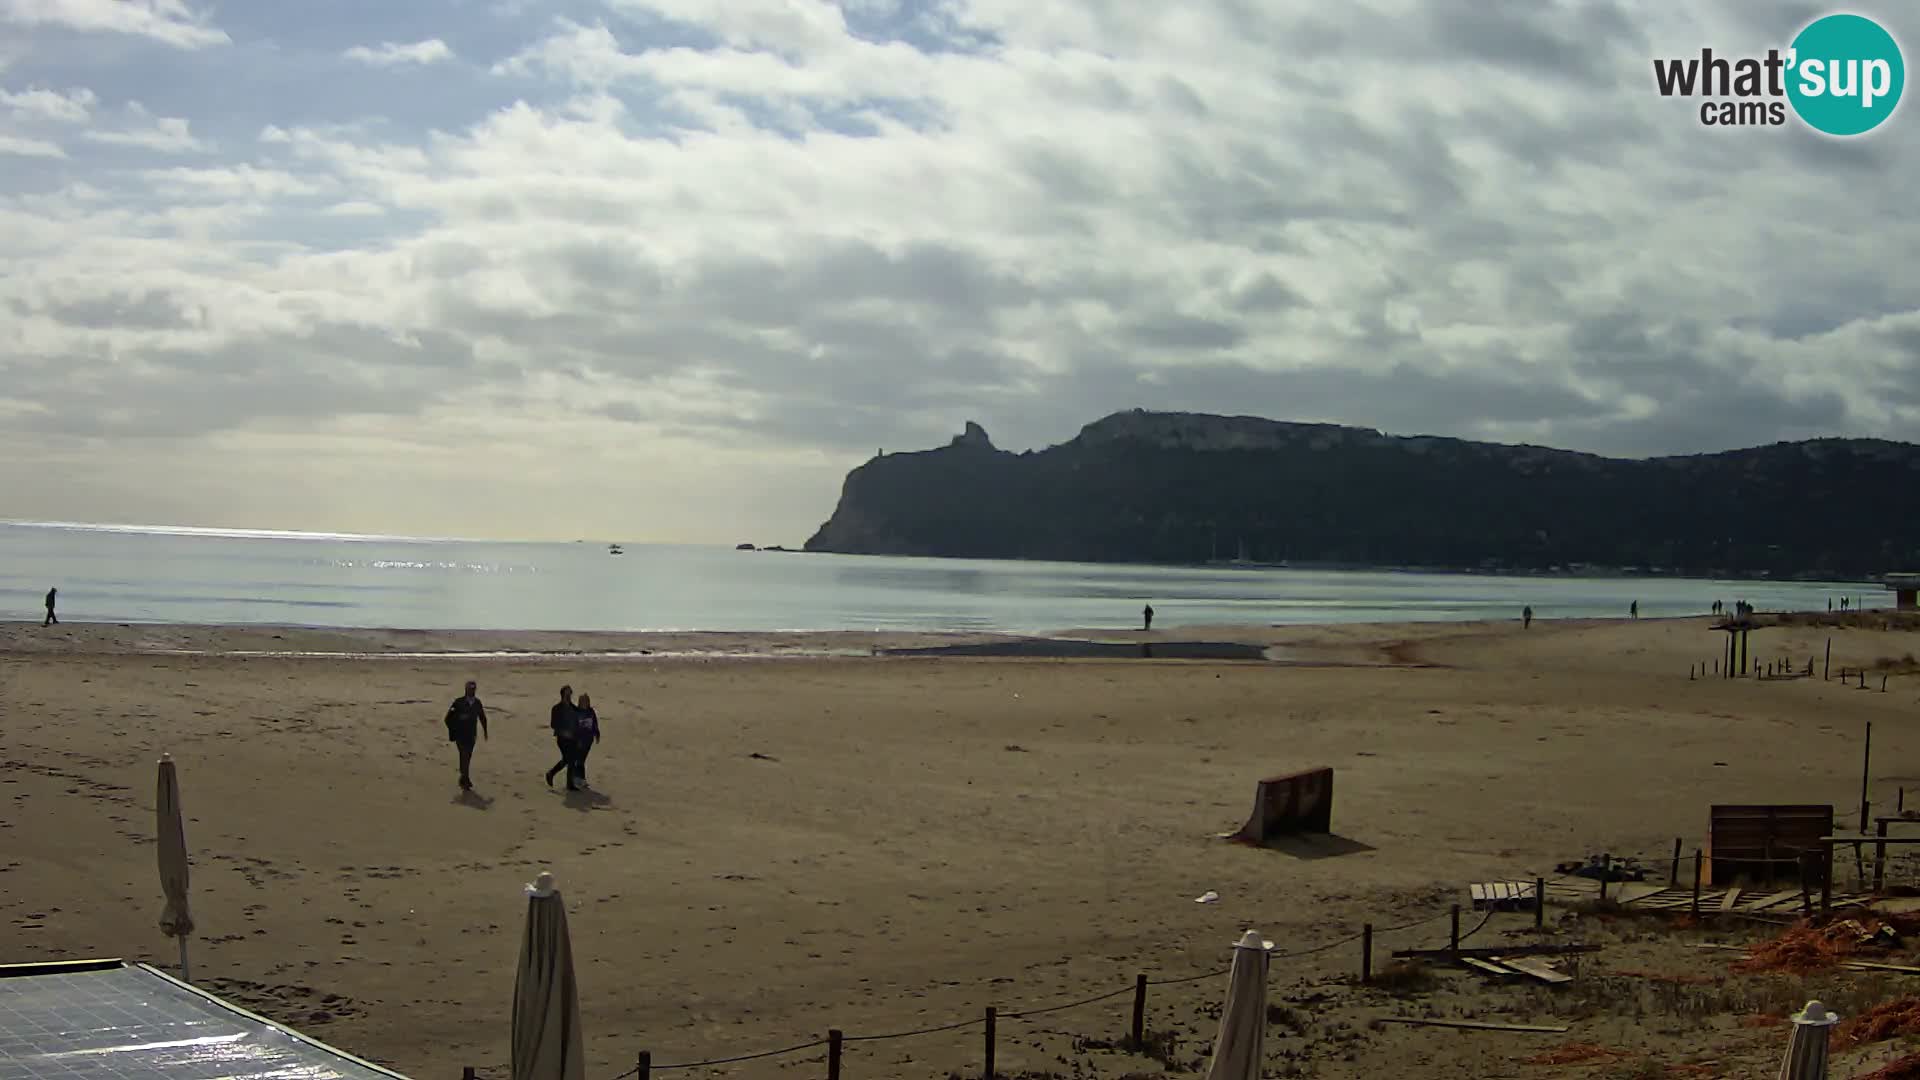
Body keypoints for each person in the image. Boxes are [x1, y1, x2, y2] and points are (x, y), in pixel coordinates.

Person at [443, 680, 488, 790]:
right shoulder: (458, 702)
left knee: (467, 756)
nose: (472, 691)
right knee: (464, 755)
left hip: (472, 735)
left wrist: (485, 731)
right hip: (460, 735)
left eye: (473, 689)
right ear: (466, 689)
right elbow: (447, 718)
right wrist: (453, 732)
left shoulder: (477, 703)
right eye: (470, 688)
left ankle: (463, 778)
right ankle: (465, 779)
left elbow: (482, 717)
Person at [546, 685, 580, 791]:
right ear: (563, 694)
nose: (569, 695)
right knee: (569, 759)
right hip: (562, 739)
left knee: (569, 760)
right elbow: (553, 724)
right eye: (567, 693)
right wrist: (564, 732)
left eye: (570, 693)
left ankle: (552, 774)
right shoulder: (556, 708)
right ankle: (567, 783)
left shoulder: (574, 708)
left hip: (573, 738)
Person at [572, 693, 600, 788]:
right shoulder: (576, 712)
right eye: (583, 701)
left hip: (588, 740)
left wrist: (597, 734)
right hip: (578, 740)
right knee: (578, 760)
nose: (585, 703)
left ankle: (581, 779)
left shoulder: (591, 711)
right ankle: (576, 778)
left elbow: (595, 724)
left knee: (582, 760)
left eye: (586, 701)